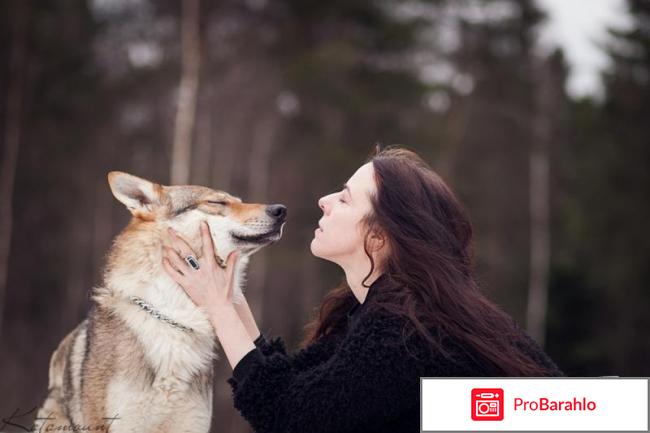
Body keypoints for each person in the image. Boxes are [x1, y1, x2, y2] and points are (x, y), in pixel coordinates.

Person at [162, 147, 563, 433]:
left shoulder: (409, 329)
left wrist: (217, 307)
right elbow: (290, 386)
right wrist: (229, 297)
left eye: (345, 198)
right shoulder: (372, 312)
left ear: (377, 237)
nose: (324, 201)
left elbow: (291, 419)